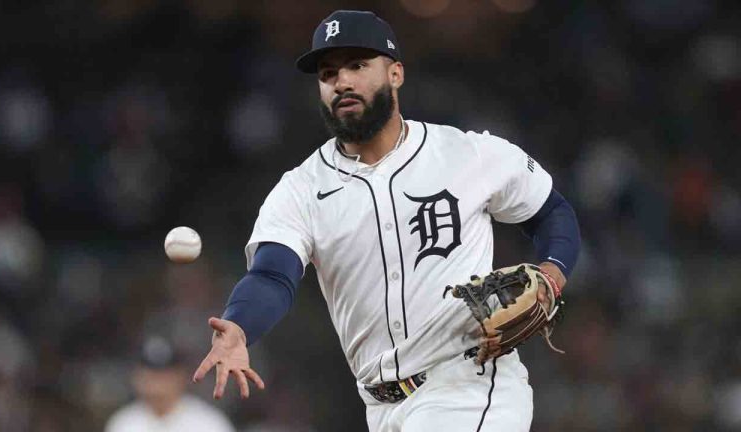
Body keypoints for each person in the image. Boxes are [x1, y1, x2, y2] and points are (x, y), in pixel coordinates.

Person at [193, 10, 581, 431]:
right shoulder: (301, 189)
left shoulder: (464, 154)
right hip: (381, 408)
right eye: (328, 73)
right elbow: (272, 275)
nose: (342, 82)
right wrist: (239, 326)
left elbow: (551, 211)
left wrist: (553, 273)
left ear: (396, 73)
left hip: (468, 384)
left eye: (357, 65)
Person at [107, 336, 236, 432]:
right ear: (137, 378)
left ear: (181, 377)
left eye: (164, 375)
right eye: (151, 375)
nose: (157, 384)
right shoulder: (123, 423)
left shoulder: (209, 423)